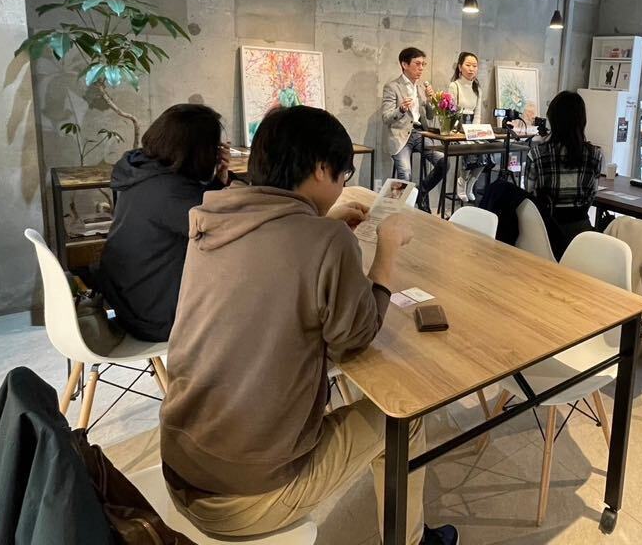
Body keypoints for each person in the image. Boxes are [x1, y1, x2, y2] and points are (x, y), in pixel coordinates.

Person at [159, 106, 457, 545]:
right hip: (244, 499)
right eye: (342, 175)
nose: (341, 186)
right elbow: (355, 338)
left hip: (180, 465)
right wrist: (387, 250)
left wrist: (321, 225)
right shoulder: (327, 241)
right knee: (403, 420)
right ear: (320, 169)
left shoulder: (214, 220)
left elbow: (273, 271)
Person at [94, 104, 230, 342]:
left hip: (128, 299)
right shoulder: (172, 192)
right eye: (213, 147)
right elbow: (221, 226)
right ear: (198, 150)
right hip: (155, 318)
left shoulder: (140, 170)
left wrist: (219, 180)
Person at [524, 90, 604, 243]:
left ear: (553, 120)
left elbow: (529, 195)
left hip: (545, 232)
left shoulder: (537, 154)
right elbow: (592, 195)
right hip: (581, 234)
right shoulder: (595, 155)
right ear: (582, 121)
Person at [381, 47, 447, 211]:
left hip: (420, 134)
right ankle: (396, 211)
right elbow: (386, 118)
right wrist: (401, 109)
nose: (421, 68)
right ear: (404, 64)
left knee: (444, 162)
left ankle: (421, 192)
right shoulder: (392, 87)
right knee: (405, 174)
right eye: (417, 64)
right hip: (400, 136)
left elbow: (430, 116)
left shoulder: (421, 88)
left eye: (423, 64)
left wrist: (431, 100)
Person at [446, 51, 493, 202]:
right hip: (457, 129)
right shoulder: (454, 86)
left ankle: (471, 183)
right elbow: (450, 112)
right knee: (470, 149)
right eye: (468, 65)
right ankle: (462, 180)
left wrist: (475, 131)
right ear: (460, 67)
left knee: (486, 150)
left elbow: (477, 113)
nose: (471, 69)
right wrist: (459, 131)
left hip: (471, 128)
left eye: (474, 66)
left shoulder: (477, 88)